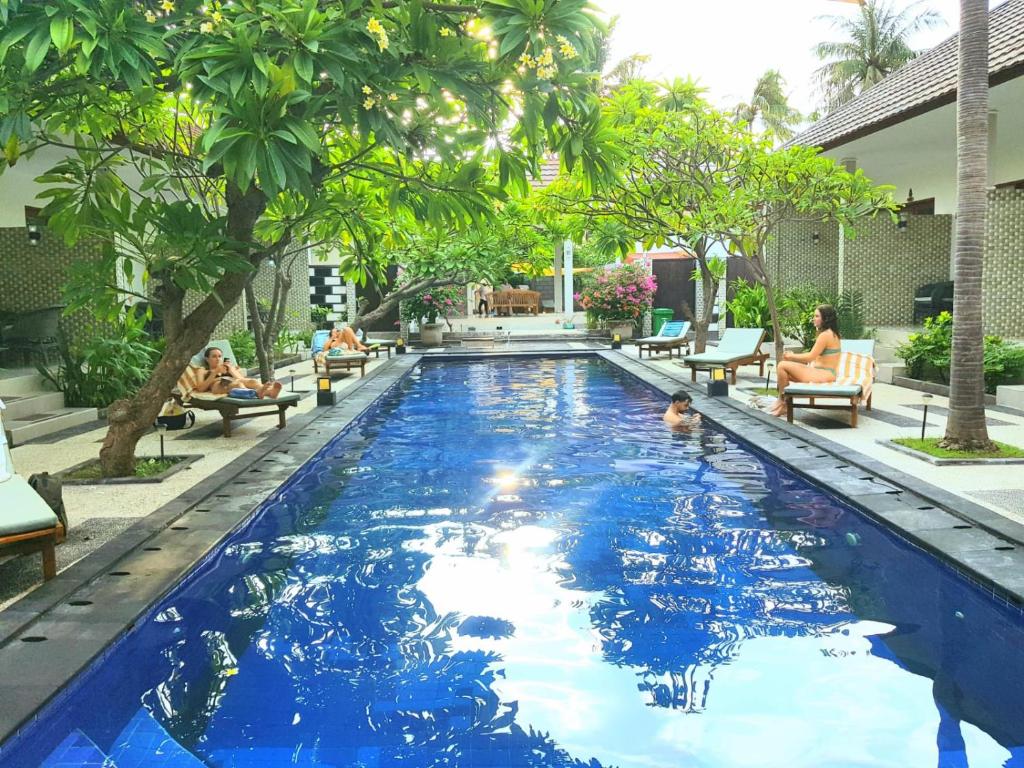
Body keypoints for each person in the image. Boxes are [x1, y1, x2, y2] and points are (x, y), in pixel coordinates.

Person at [768, 304, 841, 417]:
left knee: (782, 365)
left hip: (823, 374)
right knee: (783, 374)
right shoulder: (832, 334)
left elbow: (810, 357)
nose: (813, 318)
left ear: (825, 319)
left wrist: (792, 356)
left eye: (816, 316)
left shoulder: (825, 335)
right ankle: (783, 402)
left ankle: (783, 404)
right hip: (823, 373)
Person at [194, 347, 282, 399]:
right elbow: (200, 388)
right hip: (217, 386)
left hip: (233, 382)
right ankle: (257, 393)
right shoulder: (202, 370)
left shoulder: (228, 367)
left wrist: (231, 370)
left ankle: (270, 392)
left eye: (220, 356)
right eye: (214, 356)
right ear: (207, 359)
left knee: (252, 381)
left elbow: (242, 379)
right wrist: (215, 372)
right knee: (238, 384)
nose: (218, 359)